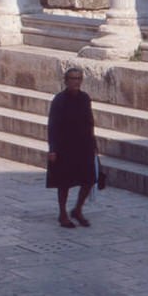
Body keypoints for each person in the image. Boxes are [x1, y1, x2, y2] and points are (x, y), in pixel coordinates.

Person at [46, 66, 100, 228]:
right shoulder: (59, 100)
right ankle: (62, 213)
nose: (76, 82)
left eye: (78, 79)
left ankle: (77, 209)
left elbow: (89, 122)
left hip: (83, 145)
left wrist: (94, 144)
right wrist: (53, 149)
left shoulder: (85, 98)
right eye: (73, 79)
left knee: (89, 179)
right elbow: (53, 125)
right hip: (65, 146)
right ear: (66, 81)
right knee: (64, 182)